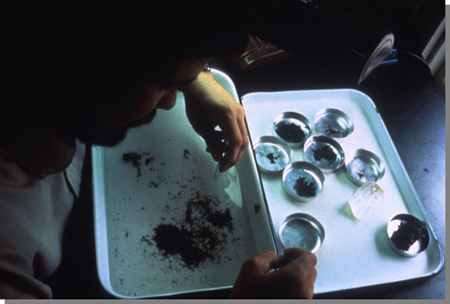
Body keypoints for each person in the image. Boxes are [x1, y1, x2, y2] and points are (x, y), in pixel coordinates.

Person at [0, 3, 319, 299]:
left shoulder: (51, 93)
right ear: (95, 67)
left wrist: (194, 79)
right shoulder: (10, 248)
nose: (169, 102)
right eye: (166, 84)